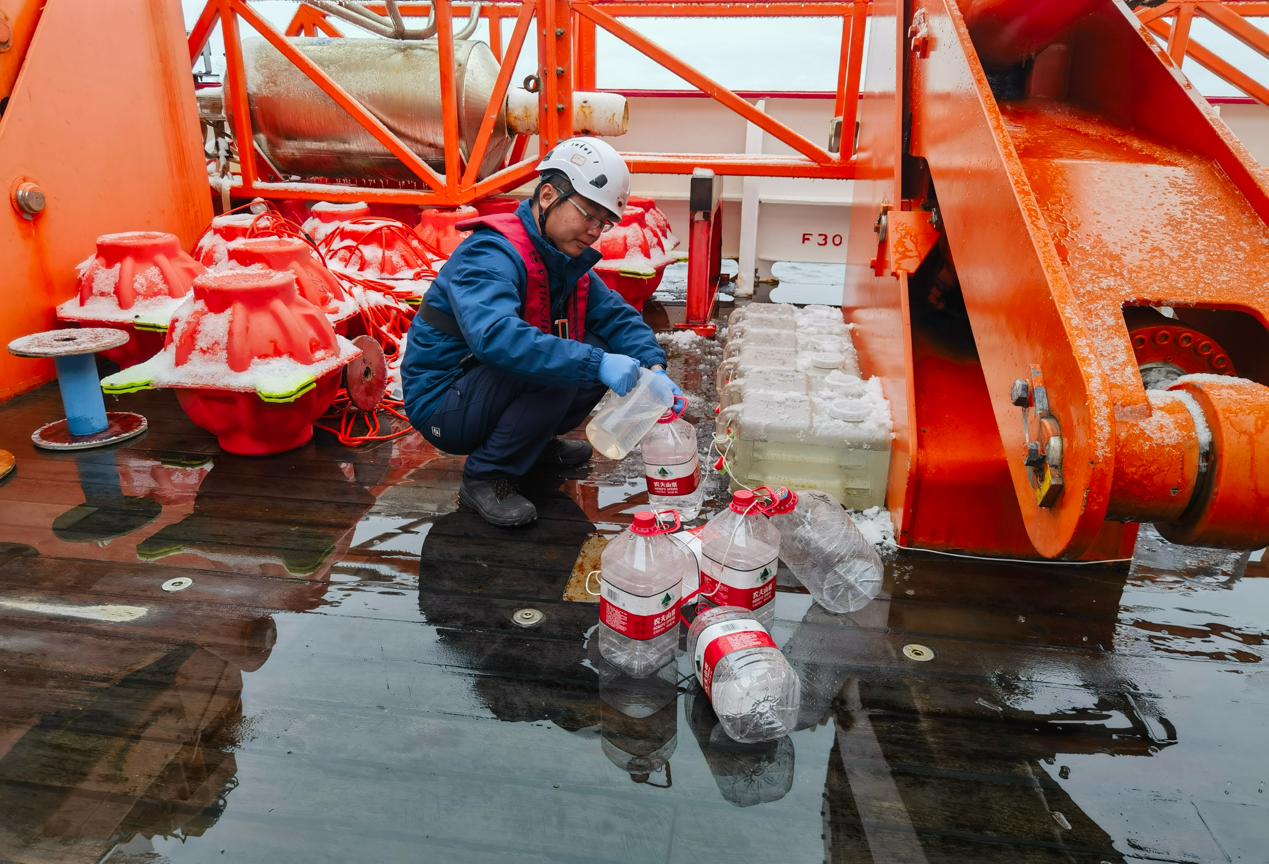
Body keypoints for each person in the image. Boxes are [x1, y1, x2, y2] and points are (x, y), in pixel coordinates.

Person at [401, 137, 681, 528]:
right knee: (573, 364)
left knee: (595, 347)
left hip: (483, 389)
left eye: (605, 222)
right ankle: (486, 476)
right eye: (590, 215)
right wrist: (596, 364)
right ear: (548, 194)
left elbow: (616, 317)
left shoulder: (562, 258)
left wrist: (654, 367)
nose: (596, 231)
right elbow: (497, 338)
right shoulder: (490, 254)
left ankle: (531, 445)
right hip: (442, 402)